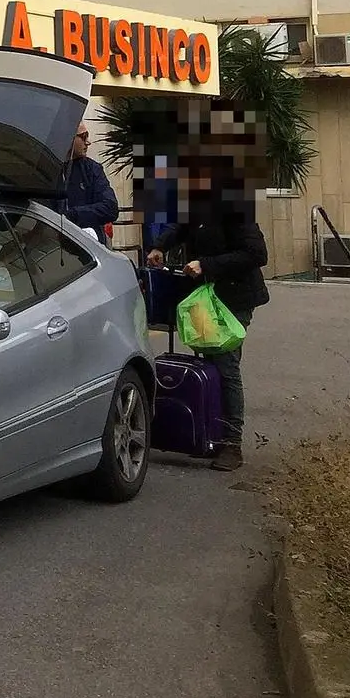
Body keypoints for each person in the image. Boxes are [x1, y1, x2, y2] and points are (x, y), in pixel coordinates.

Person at [144, 158, 268, 471]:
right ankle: (208, 431)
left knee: (225, 365)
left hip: (234, 297)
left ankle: (231, 442)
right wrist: (160, 245)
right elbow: (181, 226)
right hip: (206, 298)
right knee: (206, 361)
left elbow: (256, 253)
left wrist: (207, 265)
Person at [62, 123, 119, 243]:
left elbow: (111, 208)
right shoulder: (51, 170)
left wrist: (72, 216)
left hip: (89, 247)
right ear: (69, 137)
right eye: (83, 137)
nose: (88, 142)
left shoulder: (91, 169)